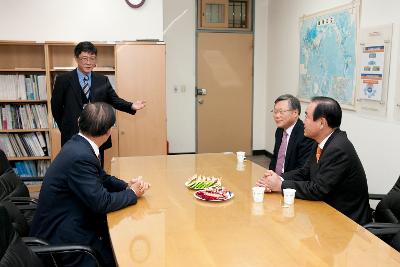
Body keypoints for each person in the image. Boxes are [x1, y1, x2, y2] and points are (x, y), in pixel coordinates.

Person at [30, 102, 150, 267]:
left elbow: (101, 177)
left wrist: (126, 186)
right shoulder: (81, 156)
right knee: (118, 255)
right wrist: (132, 194)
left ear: (79, 121)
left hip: (69, 219)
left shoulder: (78, 144)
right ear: (109, 132)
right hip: (61, 239)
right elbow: (102, 203)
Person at [257, 96, 371, 225]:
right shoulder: (322, 141)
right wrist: (278, 178)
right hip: (327, 210)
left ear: (322, 123)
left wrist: (280, 185)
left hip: (346, 220)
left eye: (306, 117)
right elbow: (305, 172)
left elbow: (318, 189)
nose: (303, 121)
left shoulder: (338, 148)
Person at [51, 41, 146, 165]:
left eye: (92, 58)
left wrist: (131, 105)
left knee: (97, 167)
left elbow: (114, 100)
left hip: (98, 132)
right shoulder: (63, 80)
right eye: (84, 58)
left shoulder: (102, 80)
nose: (88, 62)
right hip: (72, 133)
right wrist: (65, 127)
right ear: (76, 58)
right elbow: (56, 108)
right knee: (74, 167)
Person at [269, 94, 314, 175]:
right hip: (276, 179)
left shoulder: (305, 134)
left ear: (295, 113)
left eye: (281, 112)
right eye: (275, 112)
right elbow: (275, 157)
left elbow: (302, 169)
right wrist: (270, 174)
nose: (277, 115)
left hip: (291, 182)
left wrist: (280, 181)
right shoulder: (279, 130)